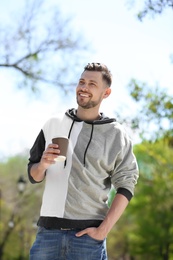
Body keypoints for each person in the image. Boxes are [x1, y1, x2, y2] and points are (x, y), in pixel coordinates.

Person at [28, 62, 139, 260]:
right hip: (47, 234)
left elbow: (126, 185)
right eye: (82, 82)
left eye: (92, 84)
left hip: (87, 238)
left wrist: (103, 230)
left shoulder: (116, 135)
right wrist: (43, 165)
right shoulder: (53, 124)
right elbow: (34, 175)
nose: (84, 88)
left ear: (106, 93)